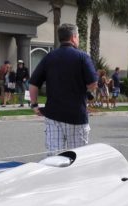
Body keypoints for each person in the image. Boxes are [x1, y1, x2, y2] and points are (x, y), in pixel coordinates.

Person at [28, 23, 97, 155]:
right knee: (78, 157)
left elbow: (33, 84)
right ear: (73, 38)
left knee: (54, 157)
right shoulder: (82, 57)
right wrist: (88, 91)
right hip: (77, 117)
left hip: (53, 117)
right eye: (77, 37)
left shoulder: (49, 57)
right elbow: (93, 83)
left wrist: (34, 105)